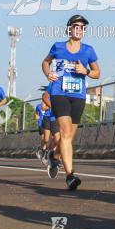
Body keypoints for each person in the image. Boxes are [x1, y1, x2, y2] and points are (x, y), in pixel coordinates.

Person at [41, 14, 100, 190]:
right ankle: (70, 176)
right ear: (69, 29)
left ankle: (54, 157)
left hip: (78, 96)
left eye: (82, 27)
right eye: (76, 26)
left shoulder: (88, 50)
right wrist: (48, 73)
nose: (79, 29)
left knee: (68, 138)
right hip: (59, 93)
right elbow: (45, 62)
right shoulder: (58, 47)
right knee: (65, 134)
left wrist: (86, 71)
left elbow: (97, 73)